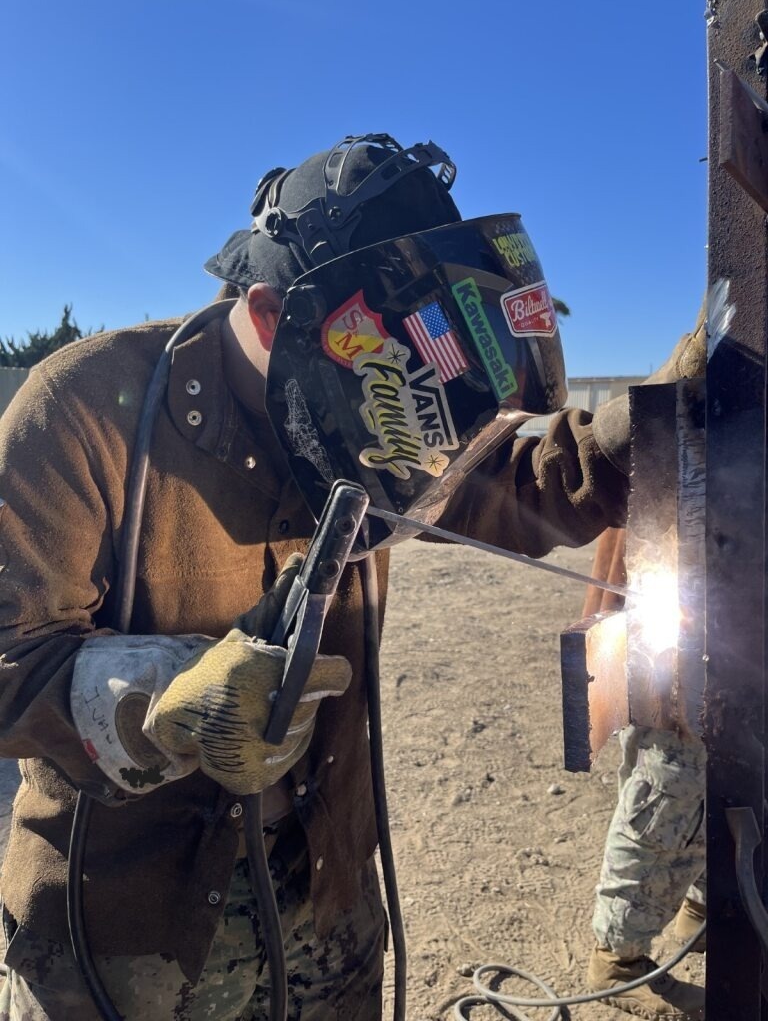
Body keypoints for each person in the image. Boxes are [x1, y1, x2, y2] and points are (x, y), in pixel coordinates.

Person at [0, 133, 699, 1021]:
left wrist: (636, 432)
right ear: (266, 314)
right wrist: (162, 696)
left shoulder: (354, 406)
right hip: (128, 934)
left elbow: (499, 490)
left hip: (325, 894)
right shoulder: (82, 410)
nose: (402, 413)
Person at [584, 526, 706, 1021]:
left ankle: (701, 912)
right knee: (672, 790)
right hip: (684, 609)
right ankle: (617, 962)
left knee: (735, 778)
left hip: (733, 602)